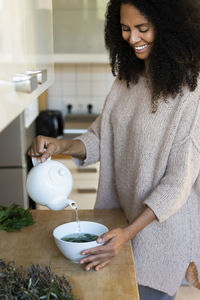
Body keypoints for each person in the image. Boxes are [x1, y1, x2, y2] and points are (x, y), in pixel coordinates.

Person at [28, 0, 200, 299]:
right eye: (124, 29)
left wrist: (128, 234)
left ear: (170, 29)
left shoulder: (190, 91)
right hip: (118, 226)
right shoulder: (128, 79)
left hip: (160, 236)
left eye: (142, 29)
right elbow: (101, 137)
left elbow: (177, 184)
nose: (132, 39)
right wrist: (61, 146)